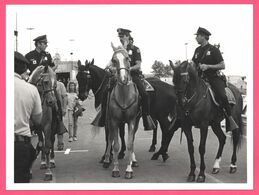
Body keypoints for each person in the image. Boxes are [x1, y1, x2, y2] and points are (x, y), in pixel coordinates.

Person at [92, 28, 156, 131]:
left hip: (133, 76)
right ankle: (102, 116)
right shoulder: (119, 50)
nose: (120, 39)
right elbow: (112, 63)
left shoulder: (135, 49)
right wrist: (110, 68)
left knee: (144, 94)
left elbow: (138, 65)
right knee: (105, 92)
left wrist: (127, 69)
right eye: (120, 37)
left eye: (122, 37)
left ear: (127, 36)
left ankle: (146, 118)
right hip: (119, 76)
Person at [191, 27, 238, 131]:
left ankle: (229, 118)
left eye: (197, 36)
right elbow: (193, 64)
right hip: (199, 78)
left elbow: (222, 65)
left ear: (203, 36)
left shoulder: (213, 50)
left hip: (213, 78)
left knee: (222, 95)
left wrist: (208, 66)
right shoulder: (197, 50)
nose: (196, 38)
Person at [25, 35, 66, 135]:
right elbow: (25, 71)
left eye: (46, 43)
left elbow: (52, 69)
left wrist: (54, 68)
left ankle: (59, 121)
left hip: (47, 85)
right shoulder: (29, 56)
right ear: (38, 44)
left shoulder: (47, 55)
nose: (46, 45)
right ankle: (25, 123)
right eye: (44, 43)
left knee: (57, 99)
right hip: (33, 86)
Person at [14, 51, 42, 183]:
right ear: (24, 69)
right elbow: (37, 120)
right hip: (20, 144)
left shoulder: (46, 56)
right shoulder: (31, 89)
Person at [56, 80, 68, 150]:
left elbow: (65, 97)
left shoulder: (60, 85)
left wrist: (64, 108)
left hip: (59, 110)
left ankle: (60, 143)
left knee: (59, 127)